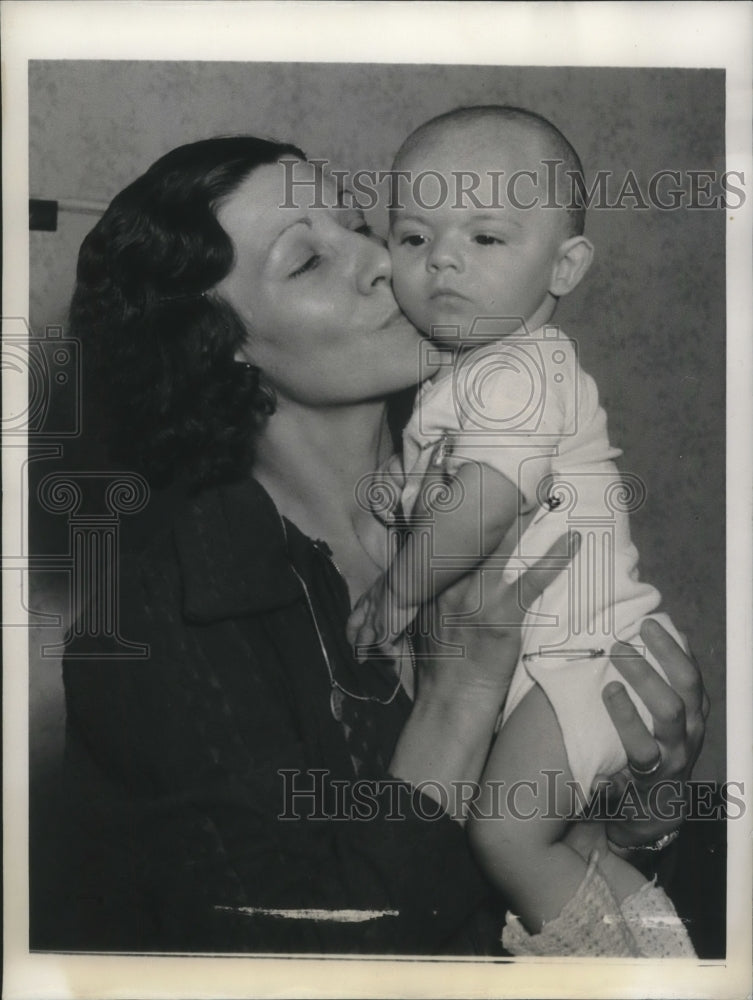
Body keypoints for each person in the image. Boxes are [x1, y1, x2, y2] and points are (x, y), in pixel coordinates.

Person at [59, 135, 707, 956]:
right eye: (307, 262)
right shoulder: (155, 624)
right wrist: (456, 699)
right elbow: (285, 966)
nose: (378, 259)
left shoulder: (485, 463)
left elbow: (567, 876)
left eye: (358, 224)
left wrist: (639, 821)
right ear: (217, 342)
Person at [346, 106, 695, 955]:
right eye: (414, 236)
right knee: (563, 843)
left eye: (487, 238)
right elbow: (439, 490)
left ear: (565, 265)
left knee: (505, 835)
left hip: (587, 656)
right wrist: (397, 496)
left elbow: (481, 504)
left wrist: (393, 596)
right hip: (553, 665)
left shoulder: (523, 364)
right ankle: (661, 952)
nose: (443, 261)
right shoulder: (460, 380)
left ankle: (602, 973)